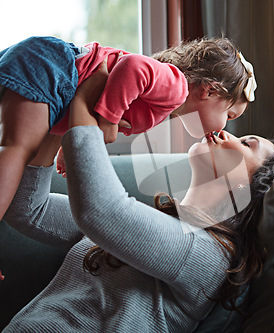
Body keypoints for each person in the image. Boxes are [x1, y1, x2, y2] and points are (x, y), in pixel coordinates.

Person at [2, 61, 274, 331]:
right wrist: (61, 116)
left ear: (253, 186)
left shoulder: (212, 258)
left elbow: (100, 212)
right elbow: (29, 210)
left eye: (246, 143)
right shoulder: (150, 222)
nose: (224, 132)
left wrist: (82, 105)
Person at [0, 35, 256, 223]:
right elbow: (131, 67)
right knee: (18, 148)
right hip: (55, 68)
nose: (226, 126)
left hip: (54, 78)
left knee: (21, 147)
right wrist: (108, 120)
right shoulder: (176, 87)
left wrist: (69, 144)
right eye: (229, 114)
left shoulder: (166, 101)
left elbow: (86, 95)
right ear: (210, 90)